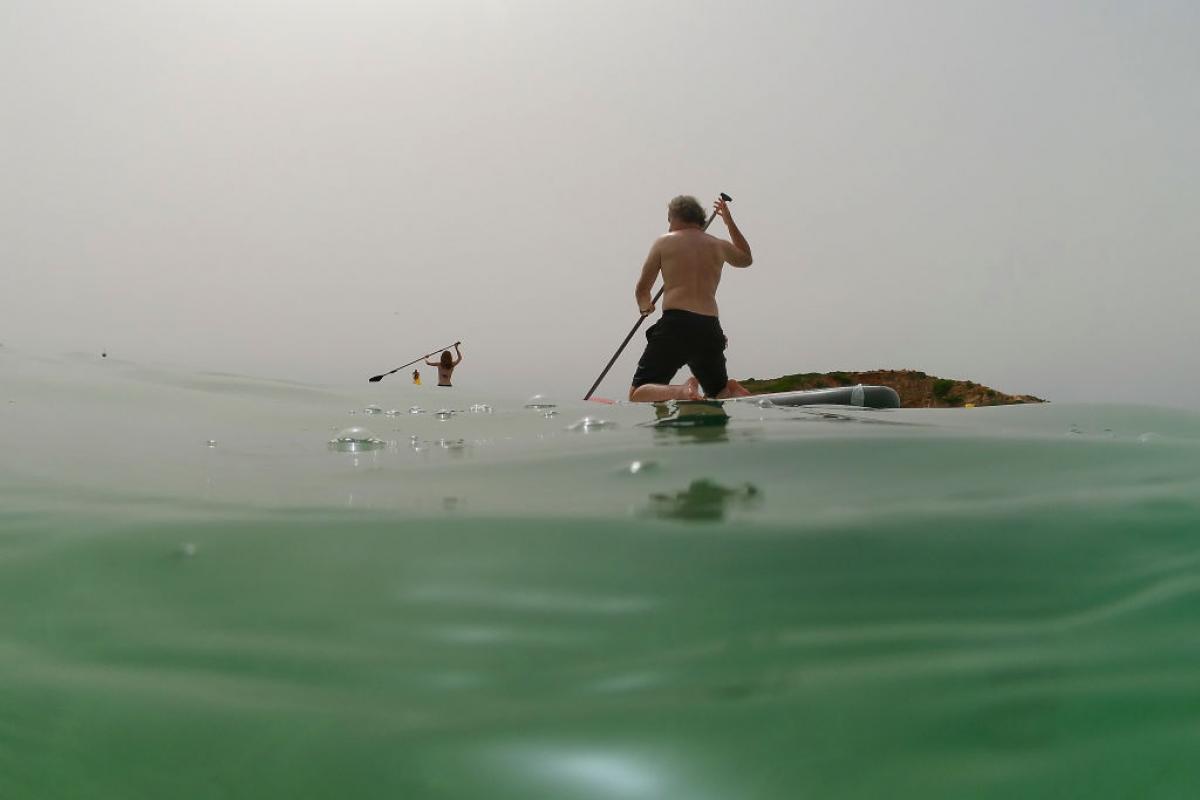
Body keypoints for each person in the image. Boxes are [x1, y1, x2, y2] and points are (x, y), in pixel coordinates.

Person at [629, 195, 753, 401]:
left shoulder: (664, 242)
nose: (669, 226)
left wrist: (646, 306)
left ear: (675, 217)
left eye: (669, 220)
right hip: (710, 328)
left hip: (676, 325)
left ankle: (682, 391)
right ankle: (728, 389)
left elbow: (643, 289)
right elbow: (746, 259)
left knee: (638, 392)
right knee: (717, 394)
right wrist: (728, 221)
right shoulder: (718, 245)